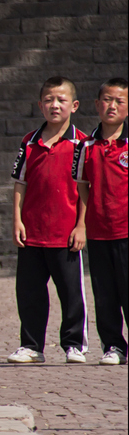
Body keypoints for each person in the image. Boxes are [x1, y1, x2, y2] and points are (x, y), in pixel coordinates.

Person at [7, 76, 89, 364]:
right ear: (40, 105)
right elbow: (20, 183)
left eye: (61, 100)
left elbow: (86, 189)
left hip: (65, 232)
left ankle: (74, 344)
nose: (55, 105)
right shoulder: (29, 142)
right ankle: (31, 346)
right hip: (32, 232)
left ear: (74, 105)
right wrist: (17, 220)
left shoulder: (83, 144)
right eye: (49, 100)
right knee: (29, 294)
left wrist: (81, 225)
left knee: (71, 293)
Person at [72, 77, 128, 366]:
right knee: (105, 295)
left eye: (119, 101)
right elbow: (82, 185)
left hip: (126, 230)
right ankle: (113, 347)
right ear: (96, 104)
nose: (112, 106)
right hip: (98, 232)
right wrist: (83, 220)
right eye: (107, 100)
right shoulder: (85, 145)